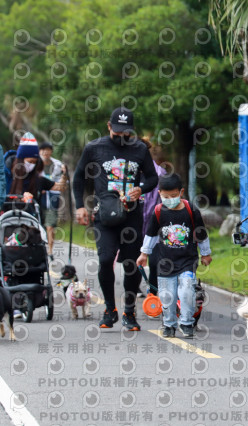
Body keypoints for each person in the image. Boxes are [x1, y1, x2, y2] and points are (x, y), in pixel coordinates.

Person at [73, 107, 158, 331]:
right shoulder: (95, 148)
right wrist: (79, 206)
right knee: (105, 259)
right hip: (105, 215)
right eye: (117, 131)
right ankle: (110, 309)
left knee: (131, 265)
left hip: (132, 216)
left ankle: (129, 312)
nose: (122, 136)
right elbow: (78, 178)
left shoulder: (139, 149)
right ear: (109, 126)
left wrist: (140, 188)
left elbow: (152, 178)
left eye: (126, 132)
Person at [136, 174, 212, 338]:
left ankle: (186, 323)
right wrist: (144, 254)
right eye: (165, 196)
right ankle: (169, 324)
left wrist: (206, 254)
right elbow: (151, 235)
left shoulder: (191, 210)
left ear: (181, 192)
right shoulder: (158, 212)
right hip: (165, 262)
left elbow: (201, 234)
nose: (169, 199)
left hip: (187, 261)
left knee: (186, 292)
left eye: (173, 196)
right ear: (159, 193)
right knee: (166, 296)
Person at [139, 140, 167, 297]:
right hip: (134, 223)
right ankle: (134, 286)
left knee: (155, 261)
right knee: (134, 259)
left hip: (154, 223)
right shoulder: (129, 171)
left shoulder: (159, 172)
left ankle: (153, 292)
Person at [9, 133, 66, 205]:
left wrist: (64, 175)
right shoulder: (7, 175)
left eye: (34, 162)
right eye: (30, 161)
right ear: (21, 160)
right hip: (8, 214)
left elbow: (61, 187)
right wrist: (20, 198)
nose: (31, 165)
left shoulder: (37, 179)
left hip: (31, 214)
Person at [38, 141, 66, 258]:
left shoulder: (58, 164)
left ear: (51, 151)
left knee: (50, 224)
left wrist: (64, 174)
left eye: (47, 149)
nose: (45, 152)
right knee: (38, 223)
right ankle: (38, 247)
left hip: (53, 196)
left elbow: (63, 184)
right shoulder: (35, 163)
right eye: (42, 149)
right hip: (38, 197)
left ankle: (50, 250)